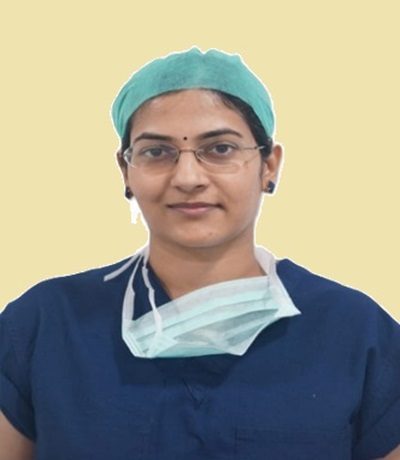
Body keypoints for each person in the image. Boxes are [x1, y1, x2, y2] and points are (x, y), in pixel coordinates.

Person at [1, 47, 399, 460]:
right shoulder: (44, 325)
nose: (188, 177)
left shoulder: (355, 332)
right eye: (157, 152)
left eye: (221, 148)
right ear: (125, 170)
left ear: (269, 165)